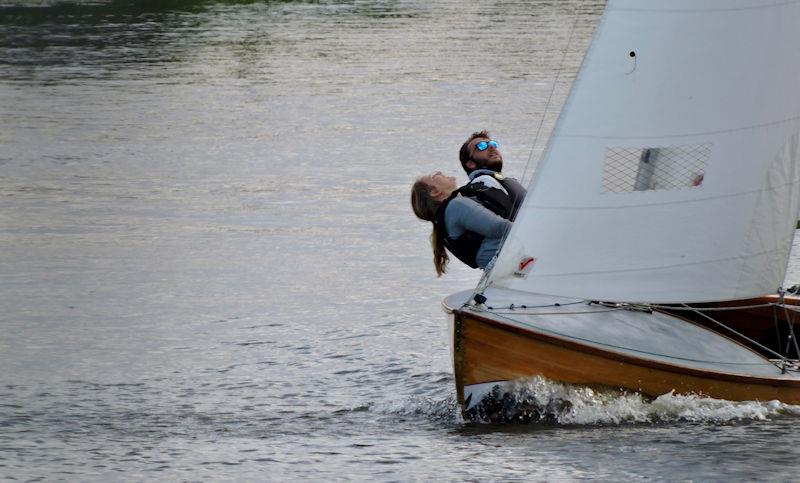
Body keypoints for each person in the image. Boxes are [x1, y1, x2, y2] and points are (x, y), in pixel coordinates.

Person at [411, 171, 513, 276]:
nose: (439, 172)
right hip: (511, 261)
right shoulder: (455, 206)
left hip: (501, 269)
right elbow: (502, 228)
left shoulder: (445, 218)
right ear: (434, 191)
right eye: (434, 176)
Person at [458, 130, 527, 220]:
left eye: (493, 144)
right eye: (482, 146)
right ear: (471, 164)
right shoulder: (482, 183)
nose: (491, 147)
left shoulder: (502, 183)